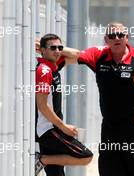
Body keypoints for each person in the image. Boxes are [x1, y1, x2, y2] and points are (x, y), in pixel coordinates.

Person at [61, 22, 134, 176]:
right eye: (112, 35)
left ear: (127, 37)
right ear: (106, 39)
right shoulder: (99, 55)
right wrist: (54, 47)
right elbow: (75, 55)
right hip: (110, 127)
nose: (117, 38)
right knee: (108, 170)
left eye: (121, 35)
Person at [35, 33, 93, 176]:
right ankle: (42, 159)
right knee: (86, 156)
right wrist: (63, 126)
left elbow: (77, 55)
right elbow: (42, 105)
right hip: (48, 130)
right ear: (42, 50)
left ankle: (44, 160)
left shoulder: (54, 66)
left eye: (59, 48)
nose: (57, 51)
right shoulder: (44, 70)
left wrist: (58, 48)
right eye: (52, 48)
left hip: (53, 128)